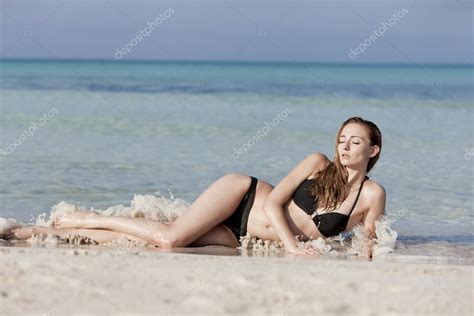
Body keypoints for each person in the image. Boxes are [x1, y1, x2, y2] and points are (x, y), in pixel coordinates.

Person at [11, 117, 385, 257]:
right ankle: (88, 218)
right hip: (244, 196)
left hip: (243, 239)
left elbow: (368, 241)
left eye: (355, 141)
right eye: (342, 139)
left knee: (154, 244)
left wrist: (367, 260)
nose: (345, 146)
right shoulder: (317, 162)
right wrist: (292, 248)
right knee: (171, 239)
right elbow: (274, 206)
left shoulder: (372, 195)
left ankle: (29, 232)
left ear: (373, 150)